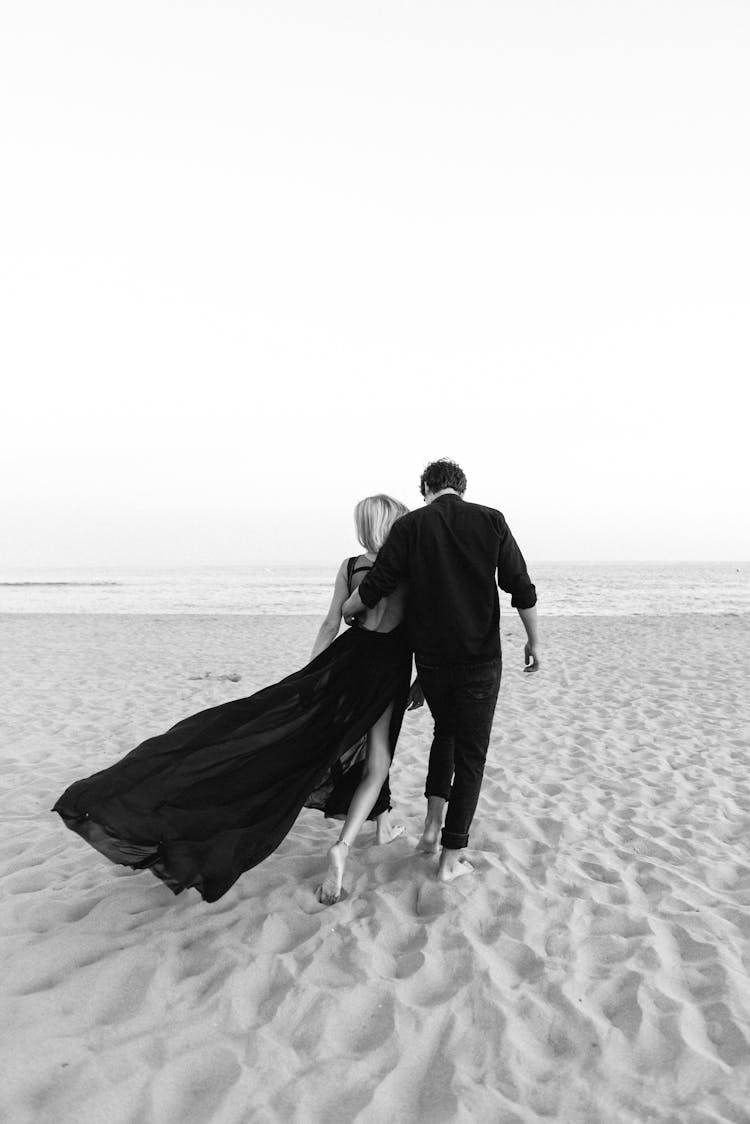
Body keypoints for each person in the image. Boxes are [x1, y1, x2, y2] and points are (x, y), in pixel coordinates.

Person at [53, 495, 413, 905]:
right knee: (378, 760)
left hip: (345, 662)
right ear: (393, 525)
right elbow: (420, 628)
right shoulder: (411, 569)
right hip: (389, 666)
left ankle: (381, 825)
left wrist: (308, 678)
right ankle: (343, 846)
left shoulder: (350, 567)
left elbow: (332, 621)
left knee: (312, 743)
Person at [342, 458, 539, 883]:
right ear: (460, 488)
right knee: (472, 754)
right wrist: (533, 640)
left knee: (445, 734)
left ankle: (431, 831)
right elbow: (519, 585)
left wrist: (348, 607)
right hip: (480, 661)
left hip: (431, 661)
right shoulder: (491, 521)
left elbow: (378, 584)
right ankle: (451, 855)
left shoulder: (410, 526)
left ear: (427, 488)